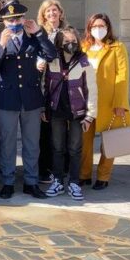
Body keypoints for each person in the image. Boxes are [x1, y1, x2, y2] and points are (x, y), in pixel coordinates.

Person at [0, 2, 56, 200]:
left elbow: (51, 55)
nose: (14, 23)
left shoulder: (34, 39)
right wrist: (0, 45)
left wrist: (40, 33)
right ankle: (7, 182)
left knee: (32, 143)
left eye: (17, 19)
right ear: (3, 21)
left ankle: (31, 182)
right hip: (7, 100)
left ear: (24, 19)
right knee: (7, 142)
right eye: (10, 20)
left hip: (31, 99)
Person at [79, 13, 130, 191]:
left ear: (108, 28)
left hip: (109, 102)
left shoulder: (117, 48)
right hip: (86, 101)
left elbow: (122, 76)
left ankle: (103, 175)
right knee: (84, 141)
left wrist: (120, 103)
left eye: (101, 26)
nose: (98, 30)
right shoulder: (84, 48)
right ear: (89, 29)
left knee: (109, 140)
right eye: (94, 26)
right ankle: (84, 174)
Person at [43, 27, 97, 201]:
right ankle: (58, 180)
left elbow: (91, 89)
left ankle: (74, 182)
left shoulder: (83, 61)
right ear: (59, 42)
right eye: (66, 41)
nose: (70, 44)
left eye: (73, 40)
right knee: (57, 147)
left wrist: (90, 114)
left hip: (77, 111)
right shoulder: (52, 60)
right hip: (57, 109)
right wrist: (44, 108)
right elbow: (44, 84)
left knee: (75, 148)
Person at [36, 0, 68, 184]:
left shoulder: (68, 32)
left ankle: (62, 167)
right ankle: (44, 168)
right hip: (44, 85)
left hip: (64, 87)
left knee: (62, 130)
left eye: (55, 10)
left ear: (60, 13)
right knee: (44, 130)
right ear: (43, 14)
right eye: (48, 11)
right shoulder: (38, 33)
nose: (52, 14)